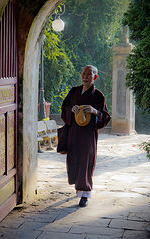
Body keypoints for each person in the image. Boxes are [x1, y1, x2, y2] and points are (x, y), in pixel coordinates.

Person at [61, 65, 111, 207]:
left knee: (86, 161)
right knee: (74, 161)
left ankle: (85, 193)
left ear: (95, 77)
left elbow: (106, 116)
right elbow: (64, 108)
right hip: (74, 133)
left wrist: (95, 111)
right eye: (84, 73)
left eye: (89, 74)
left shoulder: (98, 95)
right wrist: (71, 109)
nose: (86, 76)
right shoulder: (74, 91)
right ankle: (79, 189)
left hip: (88, 135)